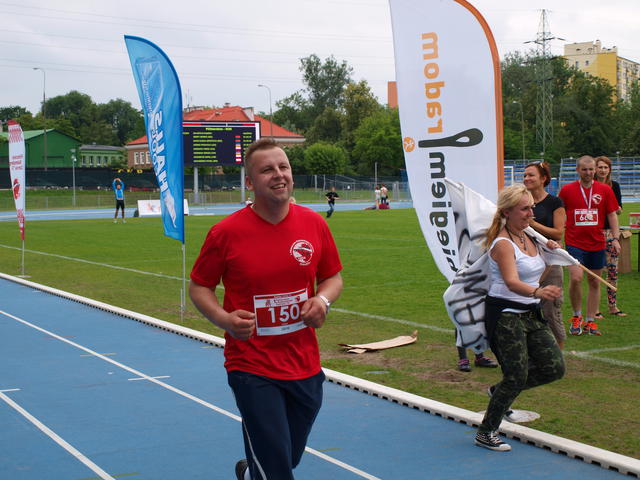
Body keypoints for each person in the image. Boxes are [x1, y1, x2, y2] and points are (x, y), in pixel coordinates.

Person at [189, 137, 343, 480]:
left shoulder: (314, 224)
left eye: (283, 167)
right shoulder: (225, 233)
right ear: (250, 182)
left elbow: (332, 277)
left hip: (304, 365)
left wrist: (322, 300)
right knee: (276, 468)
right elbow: (199, 286)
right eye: (267, 170)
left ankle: (251, 473)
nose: (278, 174)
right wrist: (224, 319)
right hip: (251, 367)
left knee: (286, 456)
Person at [475, 184, 564, 452]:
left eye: (531, 208)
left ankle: (499, 391)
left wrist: (551, 253)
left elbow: (535, 273)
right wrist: (539, 292)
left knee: (554, 368)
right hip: (505, 316)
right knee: (516, 375)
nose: (531, 214)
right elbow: (513, 282)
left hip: (530, 313)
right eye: (525, 209)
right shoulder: (503, 243)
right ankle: (486, 432)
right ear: (507, 212)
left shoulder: (530, 237)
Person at [559, 155, 621, 336]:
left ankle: (590, 321)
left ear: (594, 170)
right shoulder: (567, 190)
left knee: (594, 281)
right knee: (576, 278)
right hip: (574, 242)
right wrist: (559, 238)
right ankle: (576, 316)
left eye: (591, 169)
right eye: (584, 169)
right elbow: (560, 214)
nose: (588, 173)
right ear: (577, 170)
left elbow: (612, 215)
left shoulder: (605, 189)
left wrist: (615, 238)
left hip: (597, 242)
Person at [523, 161, 567, 349]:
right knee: (526, 308)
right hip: (525, 261)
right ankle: (532, 351)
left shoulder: (554, 202)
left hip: (550, 262)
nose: (526, 178)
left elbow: (558, 233)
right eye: (525, 175)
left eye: (531, 175)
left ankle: (558, 353)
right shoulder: (521, 201)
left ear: (543, 178)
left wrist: (533, 225)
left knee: (550, 309)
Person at [594, 155, 626, 317]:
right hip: (595, 233)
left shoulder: (615, 186)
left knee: (612, 271)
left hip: (611, 233)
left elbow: (619, 210)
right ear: (595, 169)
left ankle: (612, 306)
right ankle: (595, 309)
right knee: (596, 272)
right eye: (600, 167)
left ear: (609, 170)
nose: (603, 170)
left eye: (605, 167)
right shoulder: (590, 187)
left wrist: (612, 207)